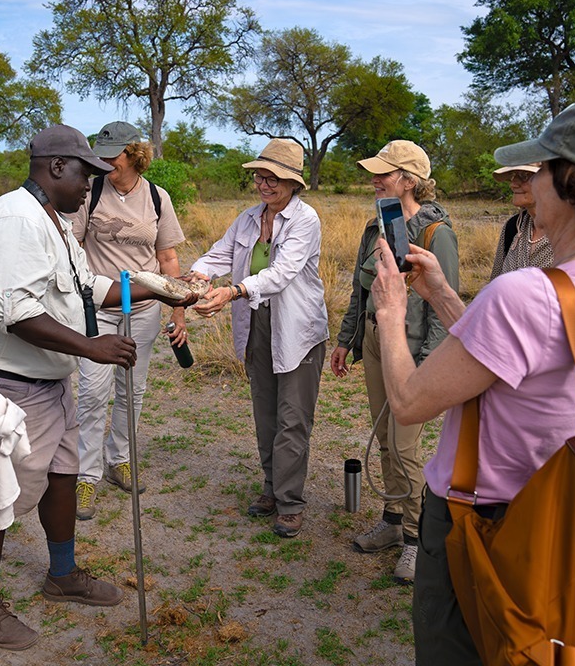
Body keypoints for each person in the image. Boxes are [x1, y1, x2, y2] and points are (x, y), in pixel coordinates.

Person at [370, 97, 575, 664]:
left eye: (540, 170)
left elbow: (411, 401)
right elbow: (506, 361)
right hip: (549, 514)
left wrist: (391, 313)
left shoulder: (525, 292)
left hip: (475, 519)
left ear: (572, 184)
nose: (530, 183)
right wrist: (440, 291)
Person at [0, 124, 194, 651]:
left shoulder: (55, 221)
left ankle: (62, 573)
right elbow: (14, 312)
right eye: (87, 172)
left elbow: (90, 288)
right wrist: (92, 349)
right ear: (57, 166)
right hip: (9, 385)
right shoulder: (17, 219)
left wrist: (157, 285)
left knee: (63, 477)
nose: (92, 185)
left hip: (49, 377)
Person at [330, 140, 459, 584]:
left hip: (413, 347)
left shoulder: (435, 233)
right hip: (375, 336)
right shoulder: (375, 226)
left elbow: (445, 307)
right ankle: (391, 519)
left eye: (384, 172)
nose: (375, 178)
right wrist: (346, 339)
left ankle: (415, 538)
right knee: (384, 436)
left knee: (406, 447)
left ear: (409, 180)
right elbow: (358, 291)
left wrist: (429, 364)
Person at [191, 138, 328, 539]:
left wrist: (232, 291)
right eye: (260, 177)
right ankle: (272, 488)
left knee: (292, 419)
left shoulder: (306, 220)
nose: (265, 185)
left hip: (297, 328)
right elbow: (220, 253)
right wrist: (198, 275)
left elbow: (282, 273)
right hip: (257, 323)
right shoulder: (250, 217)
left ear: (293, 183)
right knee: (265, 413)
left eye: (274, 178)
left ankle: (290, 503)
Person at [69, 121, 187, 520]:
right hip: (98, 309)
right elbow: (73, 247)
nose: (105, 162)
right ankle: (86, 476)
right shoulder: (92, 191)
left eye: (114, 154)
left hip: (142, 311)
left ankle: (119, 458)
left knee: (131, 390)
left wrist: (178, 309)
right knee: (91, 392)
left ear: (135, 155)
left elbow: (167, 258)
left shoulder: (157, 198)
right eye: (101, 154)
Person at [489, 162, 553, 278]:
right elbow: (495, 282)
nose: (513, 184)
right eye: (513, 175)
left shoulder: (574, 235)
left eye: (524, 176)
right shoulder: (513, 227)